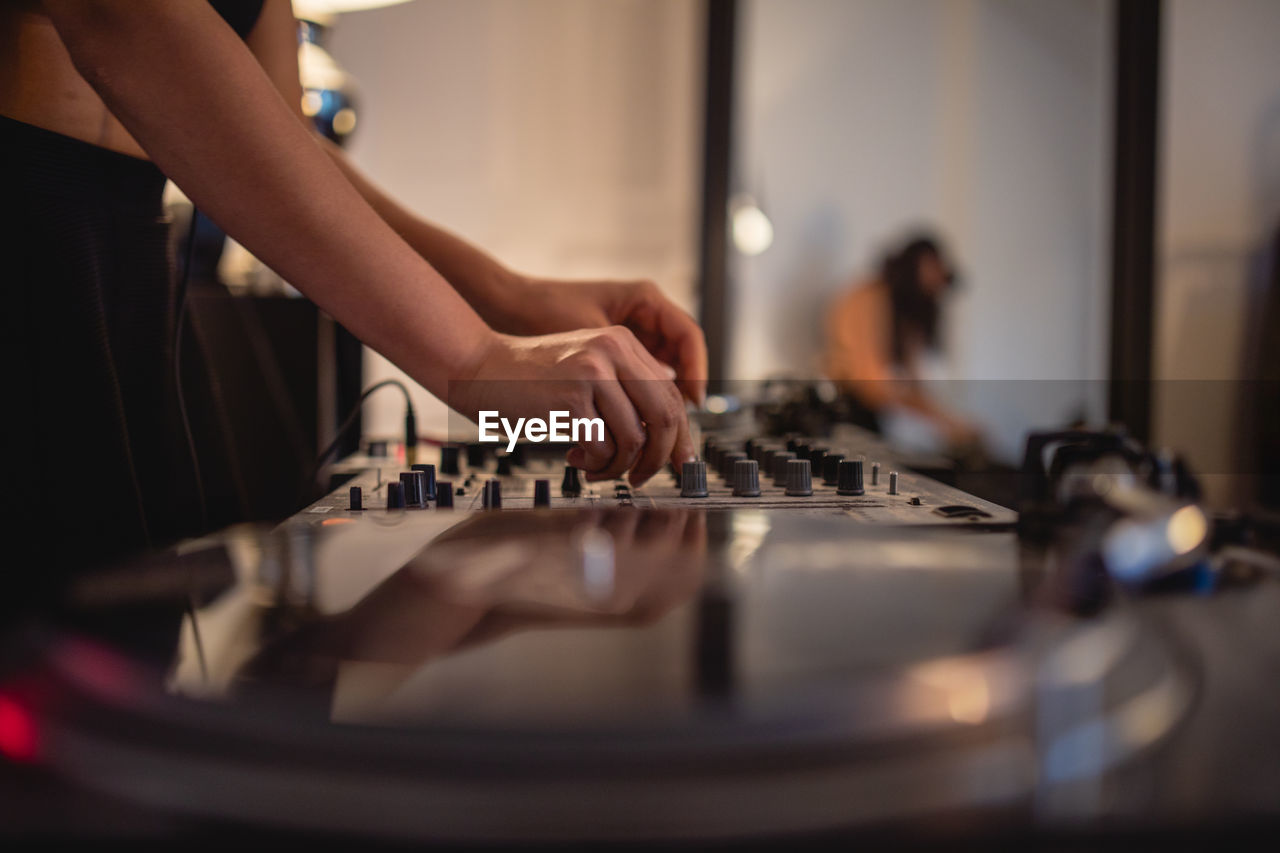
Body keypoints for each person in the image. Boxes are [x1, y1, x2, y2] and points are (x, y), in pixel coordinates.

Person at [0, 0, 705, 577]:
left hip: (133, 267)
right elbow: (121, 16)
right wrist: (473, 360)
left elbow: (290, 147)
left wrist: (511, 300)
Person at [824, 232, 980, 449]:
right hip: (847, 416)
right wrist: (940, 421)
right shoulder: (870, 298)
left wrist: (951, 423)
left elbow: (915, 384)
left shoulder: (906, 315)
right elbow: (870, 385)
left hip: (872, 417)